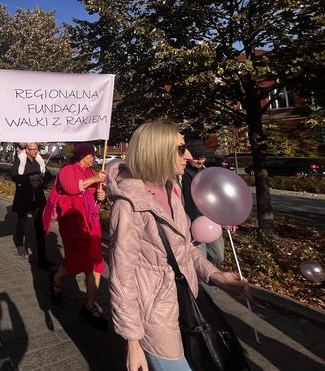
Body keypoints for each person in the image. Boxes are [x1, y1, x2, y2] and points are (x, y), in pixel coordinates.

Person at [106, 120, 250, 371]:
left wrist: (215, 275)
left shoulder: (172, 188)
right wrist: (132, 341)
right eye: (180, 148)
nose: (188, 155)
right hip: (156, 314)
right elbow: (121, 277)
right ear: (157, 151)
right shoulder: (128, 205)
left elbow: (182, 247)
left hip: (186, 301)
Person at [48, 143, 107, 330]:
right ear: (79, 155)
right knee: (77, 260)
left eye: (93, 156)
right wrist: (95, 179)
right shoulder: (67, 170)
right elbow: (72, 188)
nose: (92, 159)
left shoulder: (91, 173)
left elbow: (98, 199)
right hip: (73, 222)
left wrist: (102, 196)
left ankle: (89, 305)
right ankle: (57, 279)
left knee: (97, 261)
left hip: (92, 220)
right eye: (89, 155)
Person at [181, 140, 225, 265]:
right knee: (200, 260)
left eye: (203, 158)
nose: (200, 161)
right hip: (192, 223)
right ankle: (203, 279)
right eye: (196, 158)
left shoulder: (207, 173)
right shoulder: (182, 175)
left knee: (218, 256)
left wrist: (225, 219)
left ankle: (207, 275)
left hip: (211, 221)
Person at [11, 143, 52, 269]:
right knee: (22, 222)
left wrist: (42, 181)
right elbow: (14, 176)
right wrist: (30, 179)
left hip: (38, 199)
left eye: (36, 149)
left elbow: (48, 175)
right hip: (24, 197)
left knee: (40, 227)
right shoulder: (20, 160)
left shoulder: (39, 161)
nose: (35, 151)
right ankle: (20, 244)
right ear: (27, 150)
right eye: (33, 149)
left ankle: (42, 257)